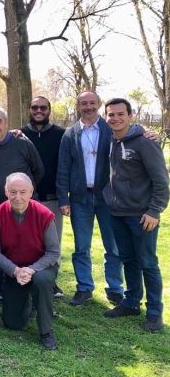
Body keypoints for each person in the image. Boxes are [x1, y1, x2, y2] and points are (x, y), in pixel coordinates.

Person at [102, 98, 169, 332]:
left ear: (131, 116)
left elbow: (161, 180)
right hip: (117, 213)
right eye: (111, 115)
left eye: (120, 114)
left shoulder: (144, 143)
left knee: (148, 263)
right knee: (128, 259)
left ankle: (154, 313)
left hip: (142, 216)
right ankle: (131, 302)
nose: (115, 118)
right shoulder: (110, 139)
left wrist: (154, 210)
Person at [57, 90, 124, 307]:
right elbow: (64, 168)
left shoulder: (110, 129)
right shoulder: (71, 134)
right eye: (84, 103)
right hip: (79, 198)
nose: (88, 107)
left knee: (112, 247)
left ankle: (115, 289)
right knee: (81, 247)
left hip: (107, 197)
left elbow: (132, 133)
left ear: (99, 104)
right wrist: (63, 199)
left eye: (92, 103)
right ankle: (84, 288)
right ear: (78, 106)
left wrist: (148, 133)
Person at [0, 106, 44, 300]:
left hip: (25, 209)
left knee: (27, 248)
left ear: (7, 123)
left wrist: (22, 196)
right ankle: (0, 291)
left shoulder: (23, 144)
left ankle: (30, 291)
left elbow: (38, 171)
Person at [0, 173, 60, 350]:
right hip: (14, 271)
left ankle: (46, 331)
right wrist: (15, 271)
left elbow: (53, 252)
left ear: (31, 192)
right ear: (6, 191)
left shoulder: (45, 215)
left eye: (22, 192)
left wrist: (31, 270)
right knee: (13, 323)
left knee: (42, 282)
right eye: (13, 192)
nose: (17, 197)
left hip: (42, 267)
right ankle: (28, 300)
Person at [20, 96, 66, 297]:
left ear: (49, 110)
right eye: (35, 107)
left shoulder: (61, 134)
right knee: (28, 241)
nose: (39, 111)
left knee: (52, 241)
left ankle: (50, 282)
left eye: (43, 108)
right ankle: (25, 278)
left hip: (53, 198)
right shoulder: (20, 134)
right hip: (26, 199)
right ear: (29, 109)